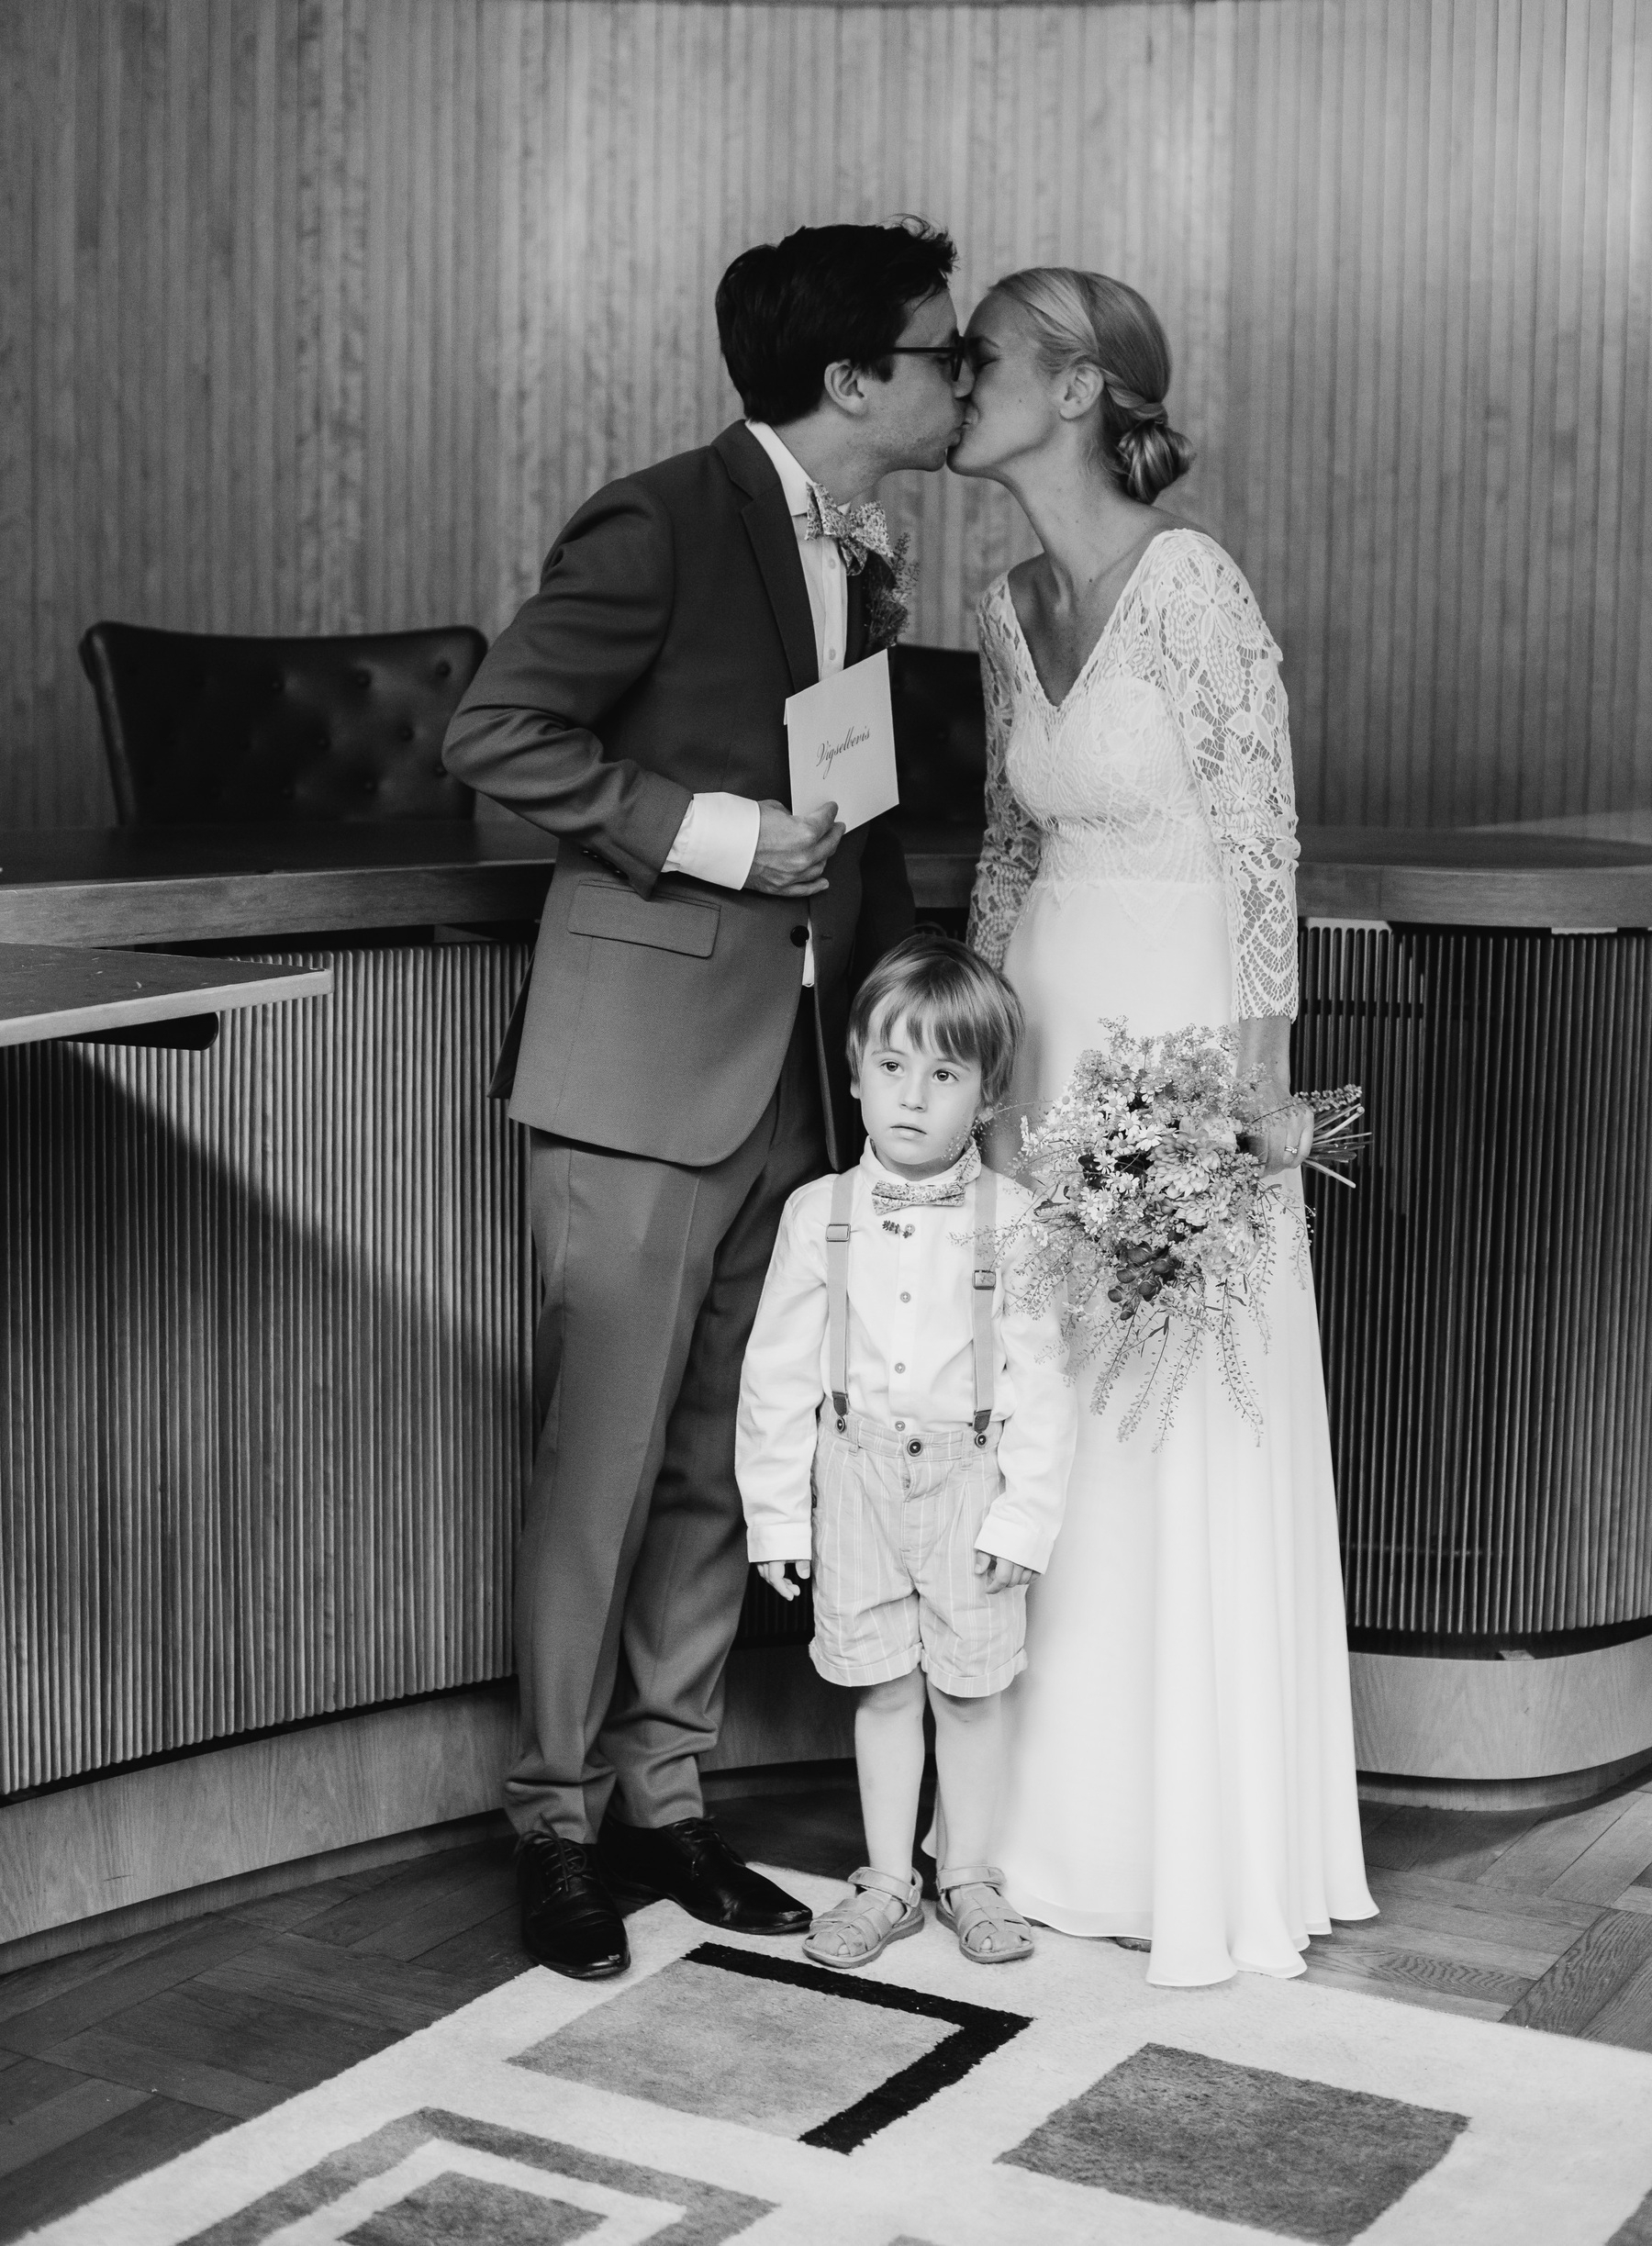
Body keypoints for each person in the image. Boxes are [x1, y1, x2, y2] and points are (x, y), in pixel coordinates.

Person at [442, 221, 971, 1980]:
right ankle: (553, 1828)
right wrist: (714, 832)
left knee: (719, 1468)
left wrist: (898, 1007)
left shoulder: (857, 549)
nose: (956, 379)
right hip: (641, 1075)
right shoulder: (663, 515)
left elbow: (865, 816)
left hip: (807, 1075)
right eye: (937, 352)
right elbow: (498, 730)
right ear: (848, 382)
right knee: (598, 1468)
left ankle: (669, 1805)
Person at [950, 265, 1376, 1985]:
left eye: (975, 359)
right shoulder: (999, 601)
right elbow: (1001, 845)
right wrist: (982, 1073)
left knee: (1173, 1412)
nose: (949, 384)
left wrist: (1243, 1107)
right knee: (1045, 1419)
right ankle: (1036, 1829)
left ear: (1072, 390)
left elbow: (1268, 849)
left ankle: (1190, 1838)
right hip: (1045, 1032)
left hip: (1180, 1036)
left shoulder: (1194, 586)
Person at [735, 935, 1077, 1970]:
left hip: (969, 1485)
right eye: (892, 1068)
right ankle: (887, 1880)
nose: (913, 1097)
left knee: (969, 1690)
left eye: (944, 1074)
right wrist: (776, 1517)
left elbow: (1042, 1386)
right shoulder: (817, 1214)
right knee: (881, 1688)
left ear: (985, 1095)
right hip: (854, 1479)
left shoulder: (1013, 1220)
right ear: (853, 1072)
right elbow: (778, 1378)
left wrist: (1023, 1519)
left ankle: (967, 1871)